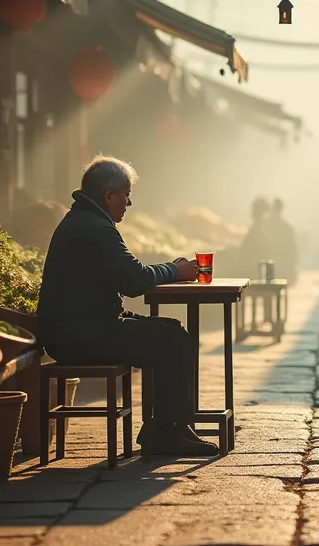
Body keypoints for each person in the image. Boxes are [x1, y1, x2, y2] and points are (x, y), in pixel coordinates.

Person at [37, 156, 218, 457]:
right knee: (173, 342)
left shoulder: (83, 220)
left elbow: (129, 275)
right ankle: (165, 432)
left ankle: (168, 426)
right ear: (109, 196)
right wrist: (177, 270)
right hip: (82, 336)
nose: (129, 202)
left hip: (77, 329)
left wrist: (170, 269)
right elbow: (135, 280)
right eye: (126, 194)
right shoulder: (96, 228)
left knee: (170, 330)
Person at [263, 198, 299, 283]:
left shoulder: (266, 223)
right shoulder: (288, 225)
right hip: (284, 264)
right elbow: (293, 247)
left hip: (272, 263)